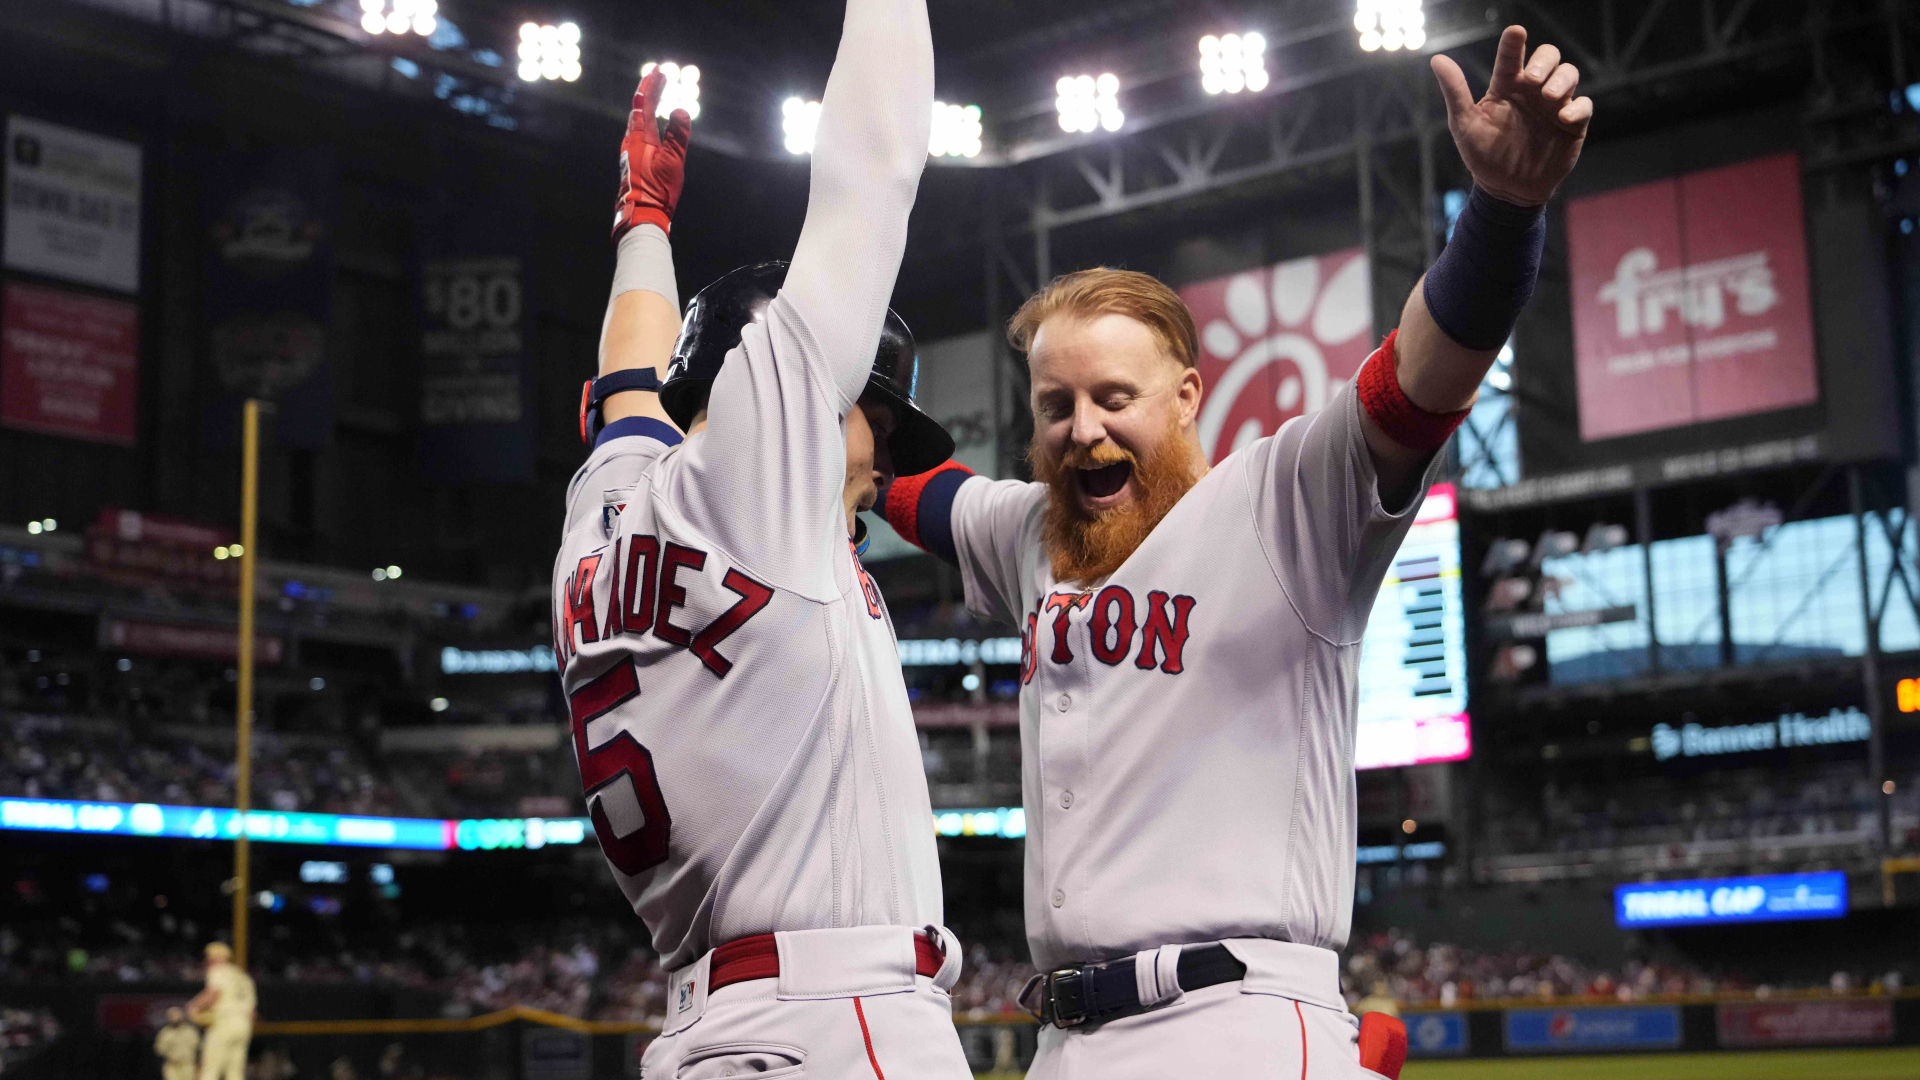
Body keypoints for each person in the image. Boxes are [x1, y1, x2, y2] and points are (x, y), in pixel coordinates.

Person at [876, 25, 1590, 1078]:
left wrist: (1502, 213)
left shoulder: (1286, 506)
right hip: (1066, 1043)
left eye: (1114, 398)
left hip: (1230, 1026)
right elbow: (905, 489)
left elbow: (1421, 379)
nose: (1082, 428)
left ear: (1186, 398)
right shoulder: (1033, 532)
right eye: (1055, 404)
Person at [550, 0, 970, 1073]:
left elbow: (630, 388)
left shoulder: (600, 525)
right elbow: (873, 167)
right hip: (839, 1023)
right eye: (881, 421)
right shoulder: (763, 475)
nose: (885, 467)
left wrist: (642, 214)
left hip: (712, 1028)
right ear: (804, 410)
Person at [185, 942, 255, 1080]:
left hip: (224, 1022)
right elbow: (253, 1012)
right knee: (235, 1072)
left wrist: (193, 1005)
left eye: (209, 958)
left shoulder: (218, 970)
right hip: (244, 1025)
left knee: (211, 1069)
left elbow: (213, 993)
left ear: (214, 958)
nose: (208, 961)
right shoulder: (243, 976)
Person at [153, 1006, 200, 1080]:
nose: (175, 1017)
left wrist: (198, 1065)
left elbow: (197, 1048)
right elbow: (159, 1049)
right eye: (172, 1015)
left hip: (188, 1065)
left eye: (177, 1015)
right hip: (172, 1065)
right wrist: (169, 1057)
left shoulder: (190, 1031)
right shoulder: (165, 1032)